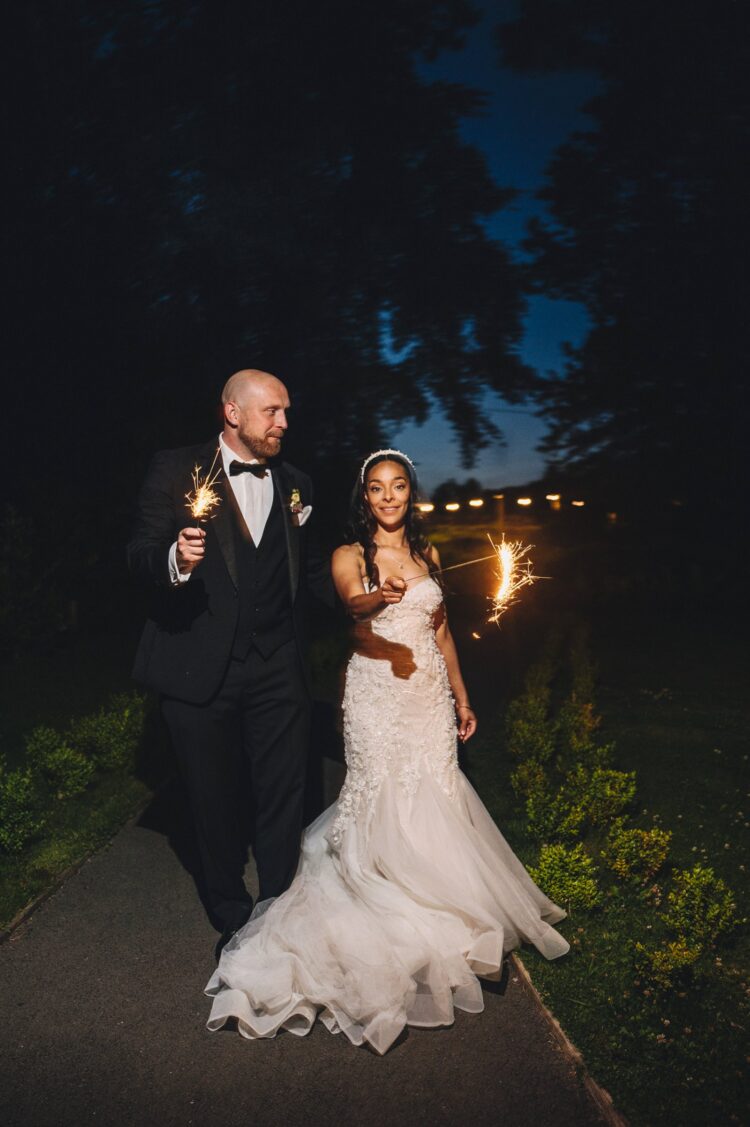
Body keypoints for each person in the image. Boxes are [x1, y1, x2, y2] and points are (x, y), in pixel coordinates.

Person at [205, 449, 569, 1053]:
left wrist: (461, 697)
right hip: (376, 693)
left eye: (398, 486)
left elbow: (443, 630)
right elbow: (352, 607)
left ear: (409, 493)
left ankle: (437, 894)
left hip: (426, 692)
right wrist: (381, 596)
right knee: (380, 794)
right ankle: (376, 895)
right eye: (377, 489)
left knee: (434, 789)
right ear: (365, 499)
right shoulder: (350, 554)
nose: (389, 497)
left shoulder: (430, 554)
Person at [127, 369, 332, 955]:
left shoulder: (298, 485)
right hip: (197, 668)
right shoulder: (175, 468)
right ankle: (233, 916)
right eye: (272, 411)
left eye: (287, 411)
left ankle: (279, 909)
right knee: (211, 800)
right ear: (232, 414)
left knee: (282, 793)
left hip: (277, 666)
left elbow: (310, 573)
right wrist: (175, 558)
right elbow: (139, 554)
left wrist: (368, 597)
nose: (284, 423)